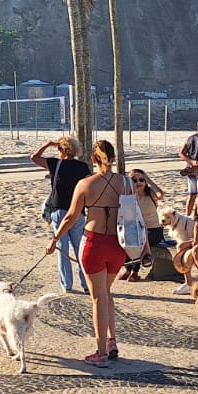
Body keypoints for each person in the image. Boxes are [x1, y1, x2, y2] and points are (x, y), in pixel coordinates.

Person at [46, 139, 130, 367]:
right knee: (106, 293)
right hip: (119, 245)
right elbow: (135, 214)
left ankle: (101, 351)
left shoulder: (85, 184)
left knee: (98, 299)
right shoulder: (126, 183)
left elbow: (71, 216)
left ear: (93, 158)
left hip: (95, 243)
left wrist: (55, 239)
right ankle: (112, 341)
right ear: (113, 158)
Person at [32, 135, 91, 292]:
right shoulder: (82, 167)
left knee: (62, 248)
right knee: (79, 248)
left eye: (59, 148)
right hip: (78, 211)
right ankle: (86, 284)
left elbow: (34, 157)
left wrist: (47, 144)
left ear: (63, 149)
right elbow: (89, 187)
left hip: (60, 210)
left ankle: (67, 285)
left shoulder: (55, 164)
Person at [118, 168, 165, 282]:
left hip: (153, 229)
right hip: (135, 229)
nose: (138, 182)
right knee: (128, 238)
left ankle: (135, 271)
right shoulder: (128, 197)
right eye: (135, 180)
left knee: (141, 239)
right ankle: (128, 269)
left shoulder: (150, 194)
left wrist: (149, 180)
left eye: (141, 180)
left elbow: (160, 195)